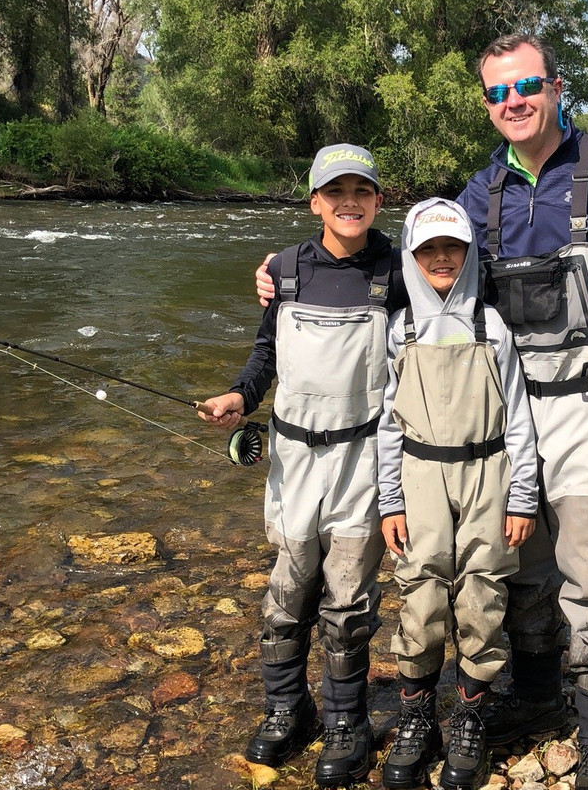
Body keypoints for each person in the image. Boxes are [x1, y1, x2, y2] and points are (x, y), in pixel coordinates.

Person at [256, 35, 588, 790]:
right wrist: (295, 272)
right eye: (498, 93)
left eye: (526, 86)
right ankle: (531, 697)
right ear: (487, 104)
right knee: (513, 569)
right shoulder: (477, 192)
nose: (513, 102)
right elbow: (420, 274)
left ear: (556, 85)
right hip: (501, 421)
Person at [200, 143, 407, 786]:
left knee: (349, 601)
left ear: (377, 200)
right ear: (315, 202)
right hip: (292, 460)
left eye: (362, 192)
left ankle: (346, 720)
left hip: (363, 461)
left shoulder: (400, 270)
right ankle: (288, 709)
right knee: (286, 594)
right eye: (336, 192)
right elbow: (266, 355)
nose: (350, 203)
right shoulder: (285, 271)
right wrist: (239, 395)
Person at [376, 198, 538, 790]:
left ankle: (468, 716)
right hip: (418, 475)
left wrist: (523, 497)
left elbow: (519, 420)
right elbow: (386, 424)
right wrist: (388, 499)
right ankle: (417, 715)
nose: (441, 259)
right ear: (411, 257)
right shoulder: (400, 328)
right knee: (419, 593)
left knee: (482, 594)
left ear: (469, 255)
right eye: (428, 250)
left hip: (488, 474)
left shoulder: (490, 326)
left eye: (453, 248)